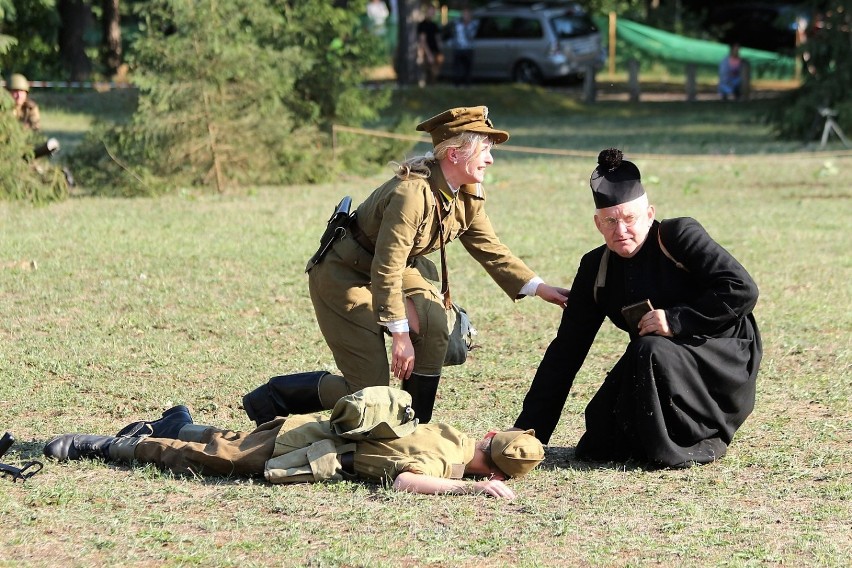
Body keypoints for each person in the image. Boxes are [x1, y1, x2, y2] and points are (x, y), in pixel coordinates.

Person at [244, 106, 568, 429]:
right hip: (345, 276)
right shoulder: (411, 194)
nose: (491, 159)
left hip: (396, 269)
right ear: (454, 154)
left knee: (434, 321)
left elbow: (490, 248)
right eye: (484, 150)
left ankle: (416, 426)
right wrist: (400, 335)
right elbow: (386, 267)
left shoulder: (468, 194)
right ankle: (273, 398)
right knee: (370, 393)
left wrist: (540, 287)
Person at [514, 148, 762, 469]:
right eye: (611, 222)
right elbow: (566, 351)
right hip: (658, 361)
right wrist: (529, 430)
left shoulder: (679, 235)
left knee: (649, 349)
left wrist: (676, 320)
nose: (621, 231)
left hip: (720, 353)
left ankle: (686, 444)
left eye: (630, 219)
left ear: (649, 214)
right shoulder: (595, 268)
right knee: (599, 434)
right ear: (597, 224)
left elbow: (743, 289)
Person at [43, 387, 545, 499]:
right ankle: (105, 447)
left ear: (490, 436)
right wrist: (466, 491)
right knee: (212, 458)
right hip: (300, 445)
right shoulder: (443, 464)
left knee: (233, 441)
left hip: (303, 428)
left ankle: (175, 420)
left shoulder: (450, 434)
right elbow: (401, 479)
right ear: (498, 475)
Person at [416, 4, 443, 87]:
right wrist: (429, 54)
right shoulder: (423, 25)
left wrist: (440, 51)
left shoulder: (434, 25)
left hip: (434, 51)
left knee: (435, 73)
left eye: (433, 11)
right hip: (427, 52)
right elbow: (423, 41)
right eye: (430, 11)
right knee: (427, 73)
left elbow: (438, 39)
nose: (432, 13)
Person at [451, 8, 477, 87]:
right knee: (457, 68)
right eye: (464, 15)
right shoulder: (457, 24)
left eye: (467, 15)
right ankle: (457, 84)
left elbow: (471, 36)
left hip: (468, 48)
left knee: (468, 68)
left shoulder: (473, 25)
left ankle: (467, 84)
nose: (465, 16)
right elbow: (454, 35)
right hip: (458, 48)